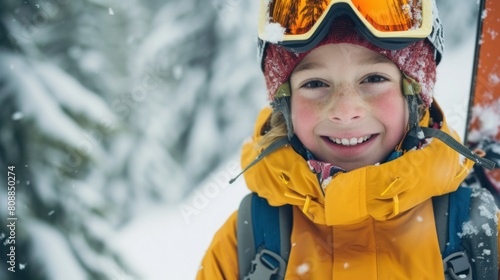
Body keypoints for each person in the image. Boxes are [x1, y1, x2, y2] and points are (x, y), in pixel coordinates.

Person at [197, 0, 499, 279]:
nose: (345, 111)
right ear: (285, 104)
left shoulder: (480, 236)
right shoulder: (246, 243)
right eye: (315, 84)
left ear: (414, 94)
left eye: (374, 79)